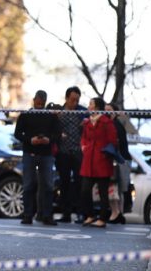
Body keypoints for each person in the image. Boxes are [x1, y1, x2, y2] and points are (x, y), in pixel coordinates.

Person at [14, 90, 61, 226]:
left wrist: (48, 140)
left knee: (48, 185)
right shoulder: (26, 115)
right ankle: (28, 215)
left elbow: (58, 134)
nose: (40, 104)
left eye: (42, 102)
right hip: (30, 153)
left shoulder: (51, 116)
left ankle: (46, 215)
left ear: (45, 102)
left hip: (46, 154)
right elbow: (17, 133)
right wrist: (30, 140)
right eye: (38, 101)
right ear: (34, 100)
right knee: (28, 185)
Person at [79, 97, 118, 228]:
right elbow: (84, 138)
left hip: (102, 161)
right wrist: (83, 147)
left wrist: (105, 153)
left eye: (91, 104)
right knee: (85, 190)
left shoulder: (106, 122)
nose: (88, 106)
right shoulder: (87, 122)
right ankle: (90, 215)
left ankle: (102, 218)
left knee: (103, 192)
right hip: (88, 159)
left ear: (96, 107)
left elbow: (112, 140)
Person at [55, 86, 87, 223]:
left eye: (77, 100)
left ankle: (80, 213)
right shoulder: (58, 112)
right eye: (73, 100)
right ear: (66, 98)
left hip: (78, 152)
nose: (75, 103)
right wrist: (58, 134)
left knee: (79, 183)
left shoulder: (83, 112)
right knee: (64, 183)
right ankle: (66, 213)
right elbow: (52, 128)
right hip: (63, 153)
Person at [105, 102, 132, 224]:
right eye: (104, 110)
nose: (106, 112)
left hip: (119, 160)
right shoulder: (115, 124)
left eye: (109, 110)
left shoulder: (115, 125)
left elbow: (116, 144)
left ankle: (116, 213)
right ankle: (118, 213)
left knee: (116, 187)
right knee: (118, 188)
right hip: (120, 159)